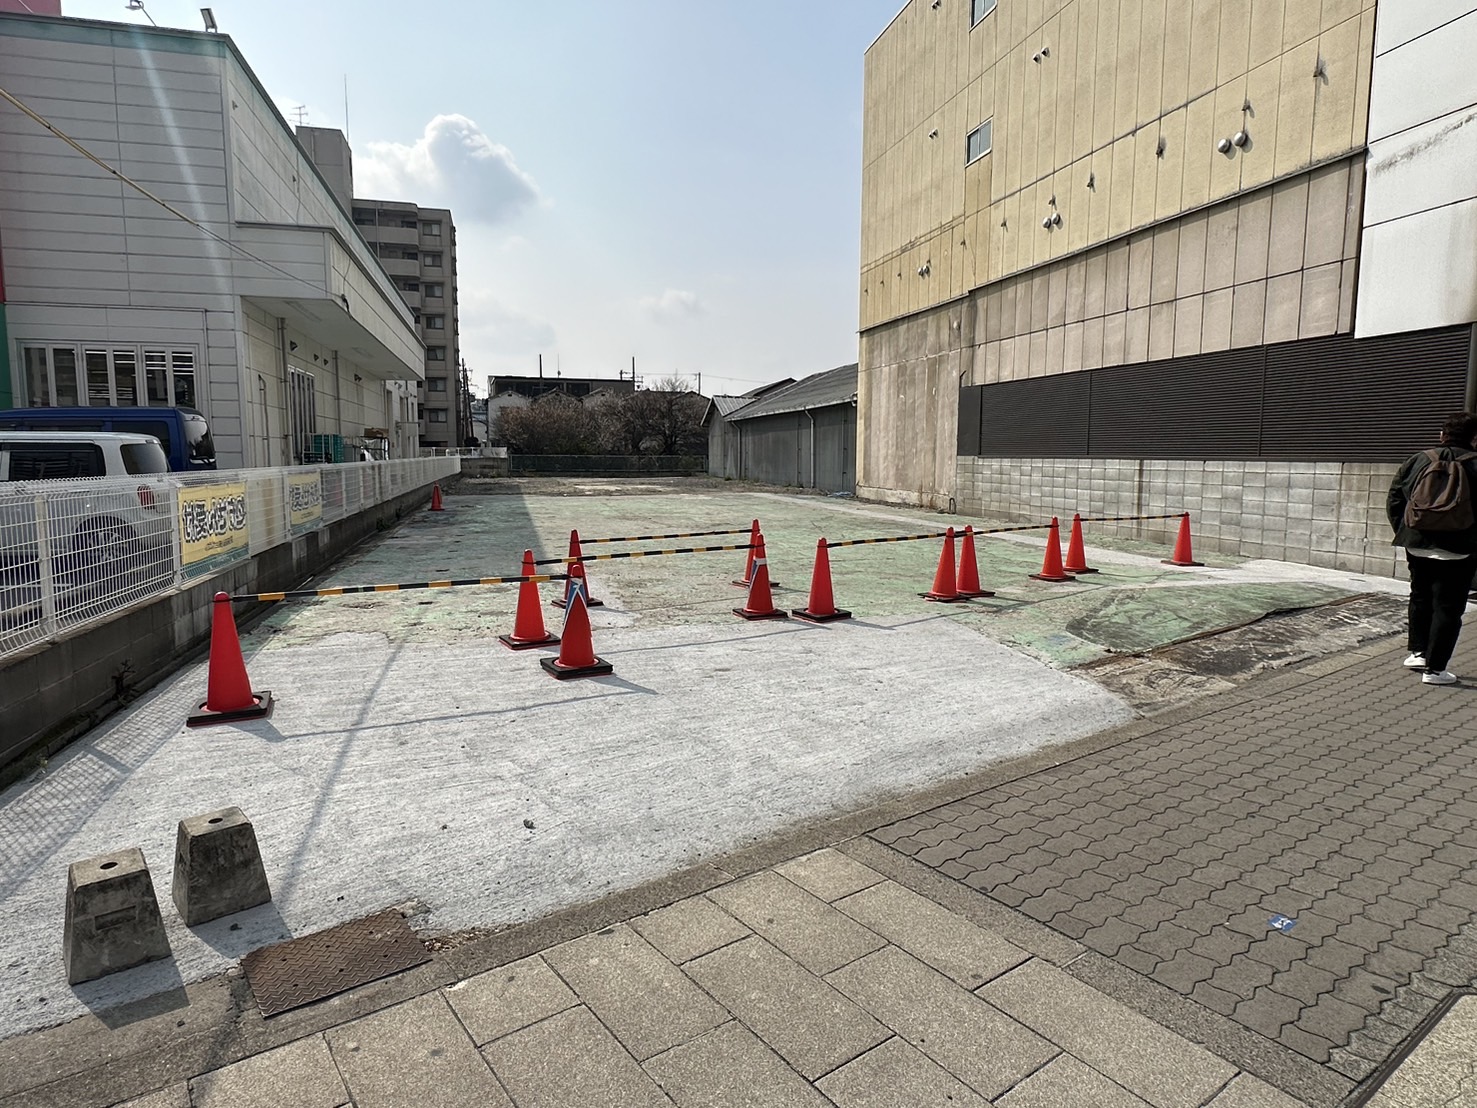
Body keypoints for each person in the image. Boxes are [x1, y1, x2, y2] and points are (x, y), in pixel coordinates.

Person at [1386, 411, 1477, 685]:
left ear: (1442, 434)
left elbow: (1395, 499)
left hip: (1417, 543)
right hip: (1460, 547)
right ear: (1474, 438)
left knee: (1420, 596)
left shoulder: (1419, 460)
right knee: (1448, 607)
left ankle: (1418, 653)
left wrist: (1405, 531)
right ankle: (1436, 670)